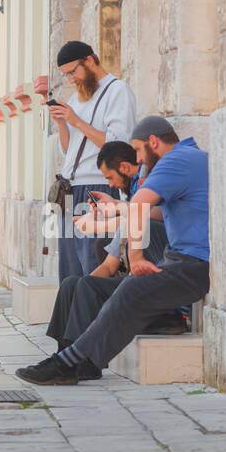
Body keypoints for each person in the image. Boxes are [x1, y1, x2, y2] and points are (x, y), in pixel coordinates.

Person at [17, 116, 209, 386]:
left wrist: (136, 257)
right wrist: (118, 207)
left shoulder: (177, 159)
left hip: (192, 267)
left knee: (131, 289)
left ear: (153, 142)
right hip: (175, 262)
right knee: (97, 287)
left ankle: (69, 364)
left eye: (140, 150)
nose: (138, 159)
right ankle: (74, 359)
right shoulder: (186, 159)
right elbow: (153, 211)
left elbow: (142, 205)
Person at [44, 141, 186, 381]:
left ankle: (85, 362)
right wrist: (82, 284)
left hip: (159, 297)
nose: (109, 185)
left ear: (125, 168)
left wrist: (102, 222)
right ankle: (63, 356)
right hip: (133, 285)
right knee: (72, 283)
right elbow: (109, 265)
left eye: (109, 178)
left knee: (87, 287)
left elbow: (148, 219)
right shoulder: (132, 209)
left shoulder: (151, 210)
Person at [48, 40, 138, 282]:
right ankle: (73, 317)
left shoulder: (117, 91)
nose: (71, 80)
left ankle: (96, 318)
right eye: (65, 75)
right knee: (70, 268)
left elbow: (119, 146)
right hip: (70, 189)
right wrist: (62, 124)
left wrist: (76, 121)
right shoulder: (79, 98)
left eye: (72, 72)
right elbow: (69, 152)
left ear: (90, 60)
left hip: (98, 188)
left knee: (93, 263)